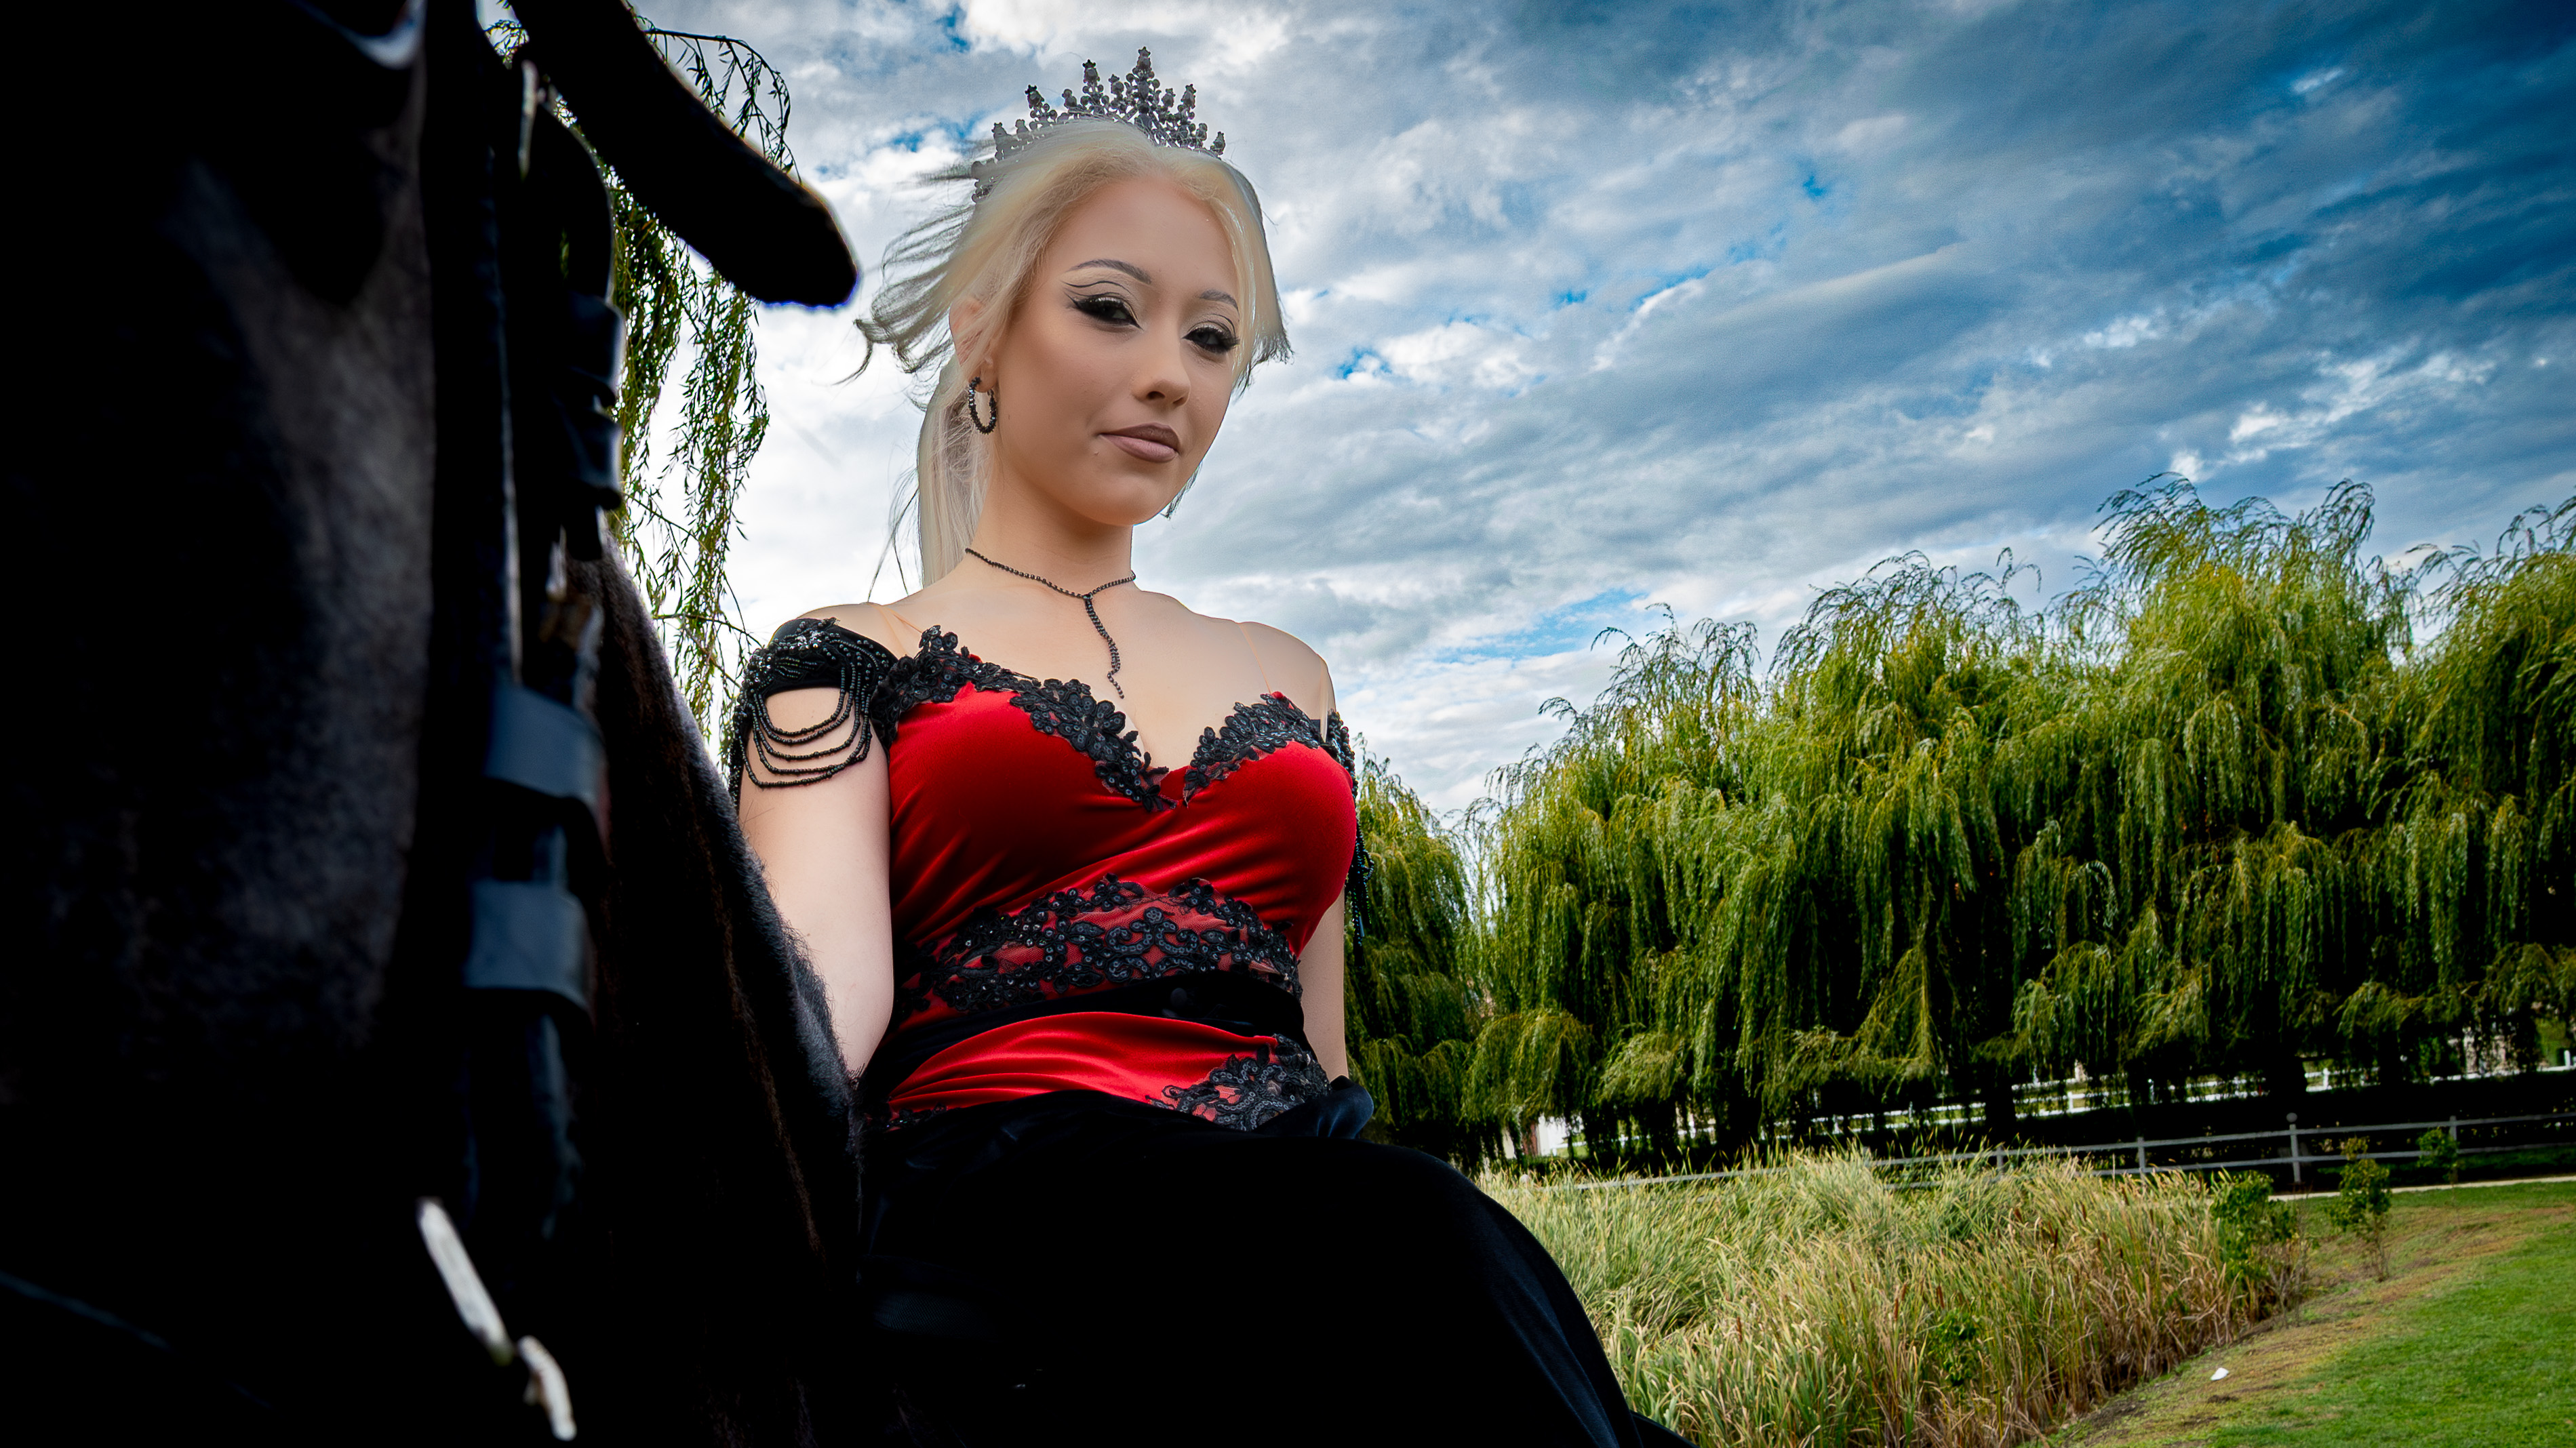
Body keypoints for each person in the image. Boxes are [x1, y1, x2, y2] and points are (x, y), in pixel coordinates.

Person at [729, 52, 1687, 1447]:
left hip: (1306, 1201)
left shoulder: (1294, 677)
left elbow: (1318, 1051)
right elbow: (811, 1036)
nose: (1167, 377)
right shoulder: (843, 658)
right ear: (984, 333)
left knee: (1417, 1237)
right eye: (1109, 309)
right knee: (1411, 1232)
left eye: (1213, 339)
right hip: (1004, 1207)